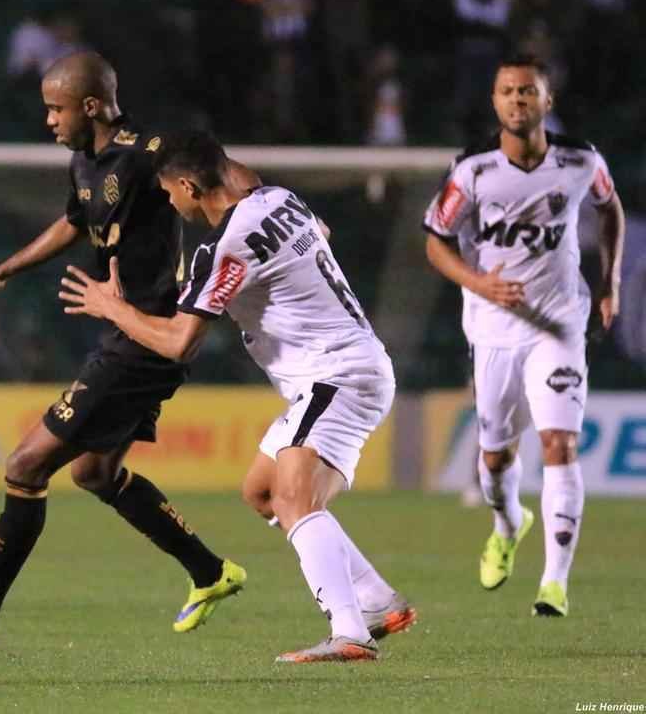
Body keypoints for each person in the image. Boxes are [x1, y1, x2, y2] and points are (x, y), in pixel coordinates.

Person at [0, 52, 245, 648]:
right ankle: (210, 572)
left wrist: (277, 210)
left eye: (55, 109)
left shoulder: (147, 149)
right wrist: (1, 272)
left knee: (24, 465)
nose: (48, 121)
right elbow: (71, 222)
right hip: (125, 332)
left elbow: (217, 166)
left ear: (91, 106)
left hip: (147, 336)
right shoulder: (84, 163)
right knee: (95, 472)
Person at [60, 130, 409, 662]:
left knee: (295, 498)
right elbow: (312, 224)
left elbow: (179, 343)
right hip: (343, 369)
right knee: (264, 492)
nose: (171, 204)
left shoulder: (228, 248)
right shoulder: (281, 200)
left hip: (337, 374)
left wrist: (112, 308)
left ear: (187, 185)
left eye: (170, 192)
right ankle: (374, 598)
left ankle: (350, 632)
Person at [423, 54, 625, 617]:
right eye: (508, 91)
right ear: (495, 102)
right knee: (494, 458)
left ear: (546, 102)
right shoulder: (473, 173)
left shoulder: (580, 161)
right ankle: (508, 524)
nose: (518, 100)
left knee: (560, 445)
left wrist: (608, 284)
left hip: (559, 323)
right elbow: (435, 241)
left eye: (528, 92)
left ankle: (554, 584)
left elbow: (612, 210)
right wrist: (479, 283)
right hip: (492, 331)